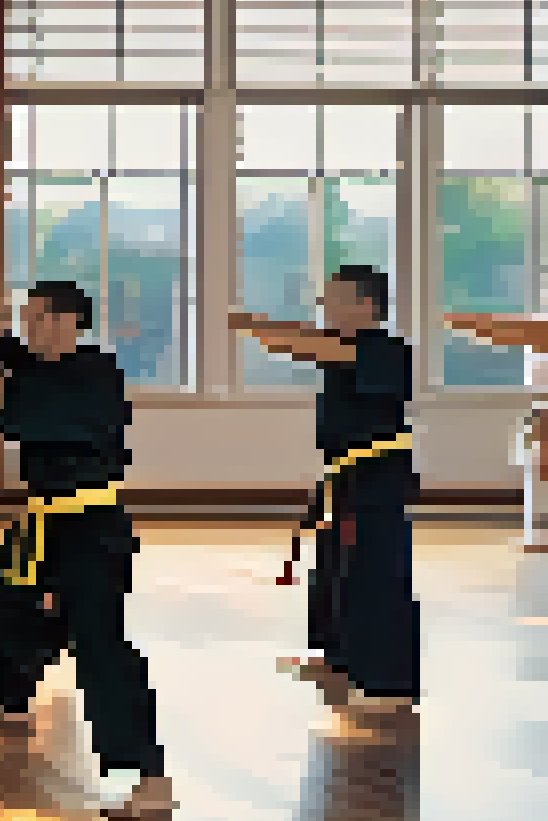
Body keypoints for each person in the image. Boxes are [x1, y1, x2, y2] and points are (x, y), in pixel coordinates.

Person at [0, 281, 172, 821]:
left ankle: (150, 777)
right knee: (5, 605)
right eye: (25, 318)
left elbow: (2, 402)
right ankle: (11, 704)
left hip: (91, 527)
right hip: (39, 523)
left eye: (36, 319)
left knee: (98, 642)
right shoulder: (32, 359)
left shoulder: (96, 377)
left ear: (67, 322)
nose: (26, 328)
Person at [234, 266, 418, 712]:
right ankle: (338, 657)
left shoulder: (386, 350)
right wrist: (258, 324)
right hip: (346, 475)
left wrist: (249, 326)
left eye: (335, 299)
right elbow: (304, 336)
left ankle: (386, 684)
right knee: (335, 564)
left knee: (373, 572)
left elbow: (300, 343)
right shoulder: (346, 346)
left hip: (375, 478)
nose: (325, 306)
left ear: (367, 305)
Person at [443, 311, 548, 547]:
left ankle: (536, 533)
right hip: (539, 415)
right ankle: (536, 533)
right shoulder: (536, 333)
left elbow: (499, 330)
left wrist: (462, 322)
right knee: (535, 472)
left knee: (537, 472)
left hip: (541, 415)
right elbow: (499, 331)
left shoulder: (538, 330)